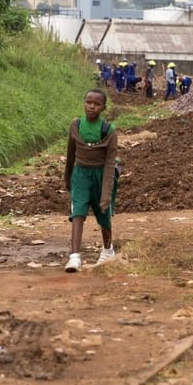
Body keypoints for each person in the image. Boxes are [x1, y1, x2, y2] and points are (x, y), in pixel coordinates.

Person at [64, 89, 119, 272]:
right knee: (78, 212)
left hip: (101, 174)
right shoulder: (76, 125)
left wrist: (106, 191)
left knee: (103, 212)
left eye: (96, 104)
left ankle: (107, 249)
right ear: (84, 103)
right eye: (89, 102)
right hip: (80, 173)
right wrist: (68, 178)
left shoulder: (108, 131)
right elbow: (70, 154)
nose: (92, 107)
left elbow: (110, 163)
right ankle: (74, 257)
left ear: (103, 107)